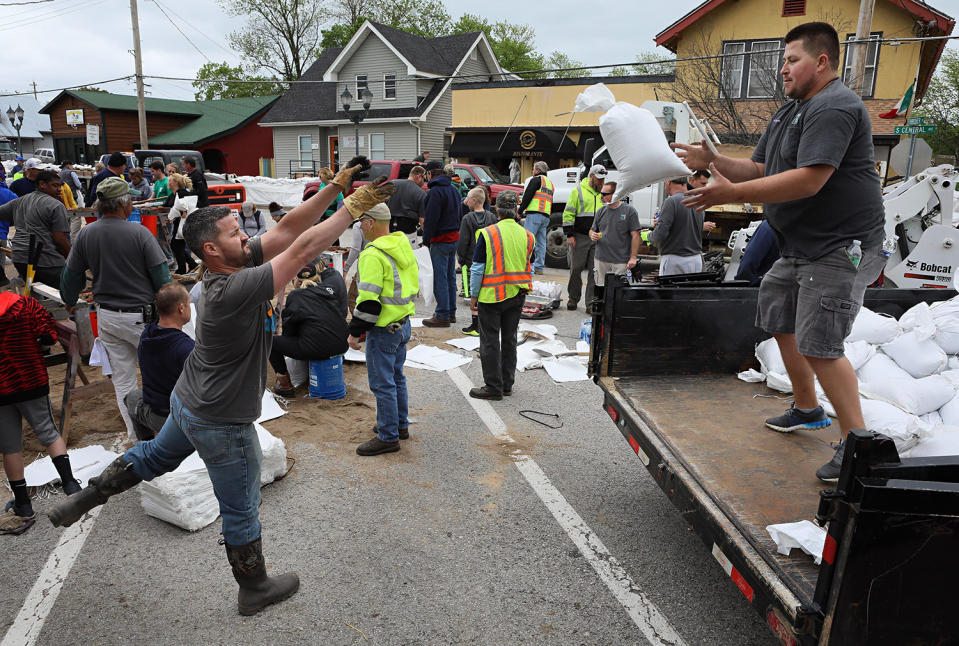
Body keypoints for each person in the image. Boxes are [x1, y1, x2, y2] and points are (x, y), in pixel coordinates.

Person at [51, 162, 395, 616]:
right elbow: (305, 245)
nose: (247, 238)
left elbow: (291, 226)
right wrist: (353, 207)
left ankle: (89, 495)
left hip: (189, 400)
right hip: (222, 420)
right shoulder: (235, 287)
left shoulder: (232, 261)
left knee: (155, 456)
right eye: (237, 234)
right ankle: (254, 587)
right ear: (212, 249)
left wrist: (334, 187)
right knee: (241, 507)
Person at [676, 22, 886, 482]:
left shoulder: (835, 105)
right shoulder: (789, 112)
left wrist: (730, 193)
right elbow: (756, 166)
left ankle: (858, 452)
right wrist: (712, 161)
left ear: (822, 62)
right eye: (784, 62)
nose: (783, 70)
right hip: (802, 247)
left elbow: (811, 178)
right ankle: (808, 408)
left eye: (792, 60)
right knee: (778, 315)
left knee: (821, 344)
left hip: (841, 246)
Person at [60, 176, 172, 441]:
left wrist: (68, 298)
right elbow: (162, 279)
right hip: (142, 318)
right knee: (159, 377)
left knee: (123, 381)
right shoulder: (140, 233)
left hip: (108, 317)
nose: (132, 204)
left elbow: (71, 277)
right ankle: (167, 438)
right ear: (123, 204)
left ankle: (137, 437)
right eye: (130, 200)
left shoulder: (87, 233)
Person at [0, 291, 80, 535]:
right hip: (30, 378)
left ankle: (23, 504)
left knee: (9, 446)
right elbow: (48, 337)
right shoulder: (26, 304)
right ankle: (71, 487)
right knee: (48, 432)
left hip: (1, 387)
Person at [347, 200, 418, 456]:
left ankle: (388, 436)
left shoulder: (372, 254)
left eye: (361, 223)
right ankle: (399, 426)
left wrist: (355, 333)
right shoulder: (402, 245)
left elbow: (368, 302)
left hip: (384, 328)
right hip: (403, 324)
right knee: (397, 378)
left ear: (369, 222)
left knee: (382, 384)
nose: (360, 228)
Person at [468, 191, 534, 400]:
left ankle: (493, 387)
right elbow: (526, 262)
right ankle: (506, 384)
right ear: (516, 210)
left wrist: (473, 295)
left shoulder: (487, 233)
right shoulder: (528, 235)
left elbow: (478, 268)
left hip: (492, 295)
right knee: (509, 339)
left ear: (496, 209)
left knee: (489, 342)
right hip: (517, 293)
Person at [124, 282, 195, 441]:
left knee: (132, 397)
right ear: (181, 308)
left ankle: (146, 444)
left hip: (156, 412)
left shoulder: (147, 334)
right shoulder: (185, 348)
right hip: (180, 419)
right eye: (189, 304)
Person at [270, 263, 349, 397]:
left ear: (297, 280)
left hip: (319, 348)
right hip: (341, 345)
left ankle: (284, 384)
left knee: (271, 342)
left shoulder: (296, 296)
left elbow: (289, 330)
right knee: (313, 335)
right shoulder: (329, 290)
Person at [0, 170, 71, 288]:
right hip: (45, 259)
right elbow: (60, 240)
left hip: (20, 258)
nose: (59, 189)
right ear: (42, 184)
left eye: (60, 186)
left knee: (34, 288)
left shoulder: (20, 201)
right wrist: (72, 259)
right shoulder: (56, 205)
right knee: (69, 286)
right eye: (55, 185)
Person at [421, 160, 462, 327]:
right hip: (453, 238)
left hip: (440, 240)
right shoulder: (454, 190)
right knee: (450, 277)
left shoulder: (435, 192)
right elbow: (460, 214)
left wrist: (426, 241)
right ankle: (451, 312)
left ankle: (442, 314)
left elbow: (431, 220)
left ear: (430, 174)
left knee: (440, 278)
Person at [563, 164, 606, 310]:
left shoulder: (603, 194)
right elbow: (568, 213)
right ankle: (573, 299)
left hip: (597, 238)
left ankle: (590, 303)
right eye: (599, 179)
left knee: (595, 271)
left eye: (603, 179)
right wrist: (569, 234)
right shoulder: (578, 191)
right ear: (592, 177)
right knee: (576, 269)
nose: (601, 182)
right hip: (579, 237)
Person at [458, 187, 498, 337]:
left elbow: (463, 241)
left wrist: (461, 258)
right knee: (486, 292)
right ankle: (485, 323)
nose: (465, 201)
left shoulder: (467, 219)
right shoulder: (491, 217)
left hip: (471, 260)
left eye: (467, 198)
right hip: (489, 260)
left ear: (474, 200)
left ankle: (475, 325)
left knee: (474, 292)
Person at [648, 178, 706, 276]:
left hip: (675, 260)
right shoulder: (697, 201)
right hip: (696, 260)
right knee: (690, 291)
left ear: (668, 182)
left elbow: (661, 233)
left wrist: (648, 236)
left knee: (670, 291)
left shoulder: (671, 201)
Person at [589, 181, 640, 284]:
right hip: (601, 259)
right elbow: (592, 230)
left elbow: (636, 236)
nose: (601, 196)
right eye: (601, 193)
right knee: (600, 291)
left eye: (604, 194)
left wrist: (633, 257)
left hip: (621, 261)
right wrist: (592, 235)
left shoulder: (630, 211)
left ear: (615, 194)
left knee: (618, 293)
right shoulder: (601, 211)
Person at [518, 161, 553, 275]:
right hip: (545, 216)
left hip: (534, 215)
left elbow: (527, 196)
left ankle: (525, 266)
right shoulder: (550, 184)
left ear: (537, 170)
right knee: (541, 242)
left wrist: (520, 211)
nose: (533, 171)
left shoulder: (536, 180)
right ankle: (539, 267)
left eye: (533, 169)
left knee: (528, 240)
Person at [164, 173, 198, 274]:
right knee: (176, 245)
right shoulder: (172, 195)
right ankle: (191, 264)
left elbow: (190, 205)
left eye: (170, 180)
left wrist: (185, 211)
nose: (168, 182)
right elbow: (165, 205)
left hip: (182, 223)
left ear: (175, 182)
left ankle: (182, 268)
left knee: (176, 245)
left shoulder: (182, 193)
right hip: (176, 222)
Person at [734, 220, 781, 286]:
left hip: (766, 288)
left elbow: (748, 264)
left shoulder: (769, 226)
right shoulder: (798, 227)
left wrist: (741, 286)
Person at [387, 166, 426, 234]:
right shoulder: (421, 193)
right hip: (408, 231)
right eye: (424, 179)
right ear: (419, 176)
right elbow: (422, 219)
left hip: (389, 227)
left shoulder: (392, 184)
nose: (424, 183)